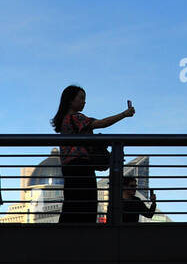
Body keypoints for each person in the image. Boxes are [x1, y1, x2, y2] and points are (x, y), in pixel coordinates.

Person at [51, 86, 135, 224]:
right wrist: (124, 114)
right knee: (88, 205)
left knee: (71, 205)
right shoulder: (77, 118)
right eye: (81, 98)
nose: (84, 102)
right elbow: (102, 123)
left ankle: (63, 237)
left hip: (68, 167)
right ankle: (86, 237)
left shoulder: (64, 120)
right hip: (81, 166)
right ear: (71, 100)